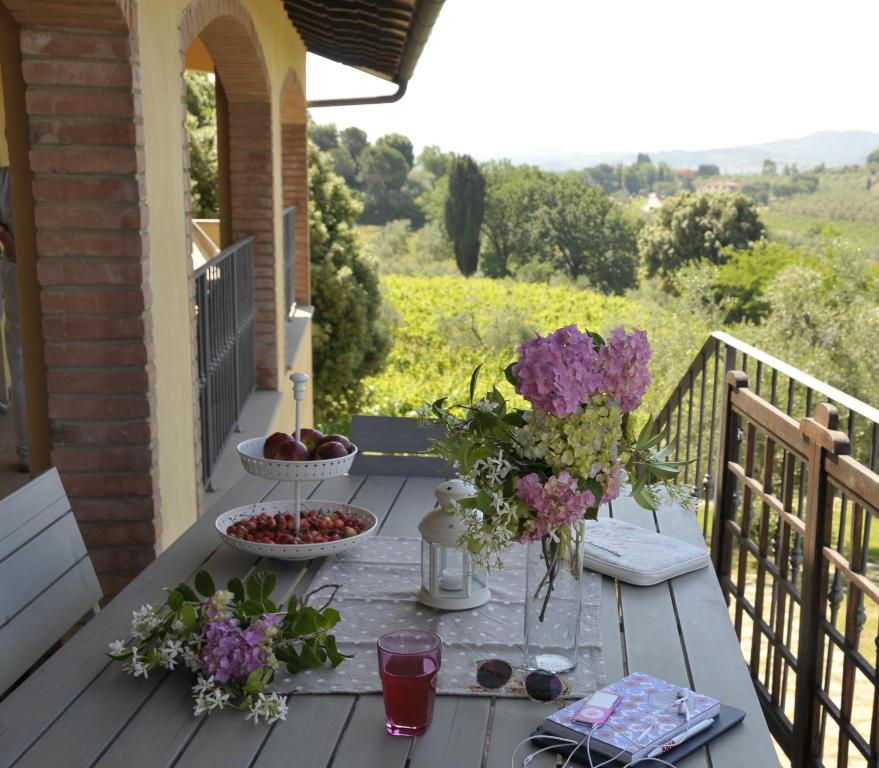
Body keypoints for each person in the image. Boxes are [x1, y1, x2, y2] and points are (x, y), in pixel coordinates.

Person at [0, 166, 28, 472]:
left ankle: (29, 450)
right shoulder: (7, 178)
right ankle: (29, 450)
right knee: (23, 355)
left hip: (16, 267)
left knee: (22, 356)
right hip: (18, 268)